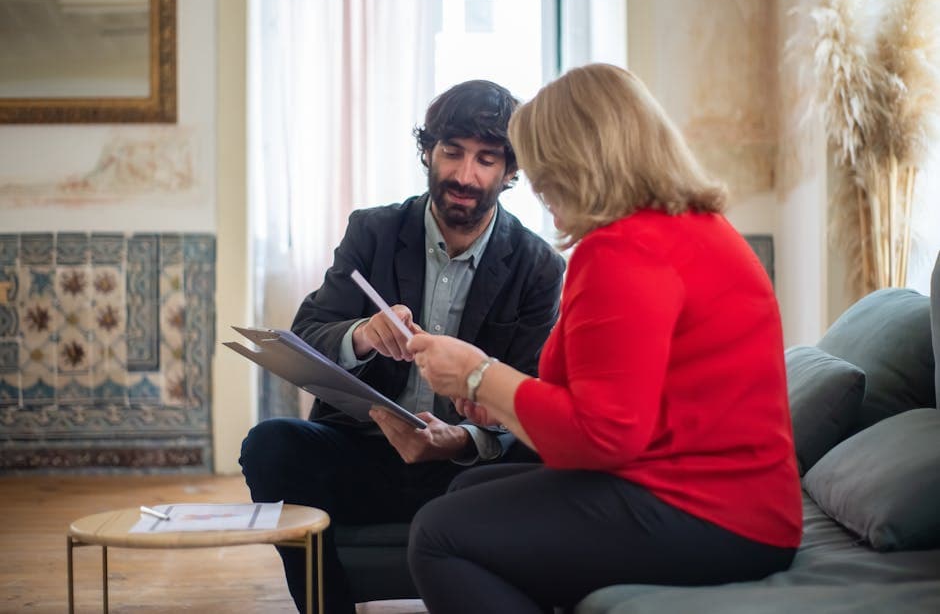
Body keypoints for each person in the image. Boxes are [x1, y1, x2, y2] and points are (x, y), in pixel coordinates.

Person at [406, 63, 803, 614]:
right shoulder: (690, 227)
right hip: (729, 500)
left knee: (438, 534)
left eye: (543, 170)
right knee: (465, 494)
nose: (538, 189)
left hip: (711, 513)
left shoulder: (623, 251)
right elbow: (616, 402)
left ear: (577, 162)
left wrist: (479, 375)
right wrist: (502, 403)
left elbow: (602, 436)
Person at [239, 79, 566, 613]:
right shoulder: (373, 231)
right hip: (362, 450)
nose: (465, 175)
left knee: (545, 461)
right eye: (452, 152)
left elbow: (529, 394)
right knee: (269, 444)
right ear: (428, 152)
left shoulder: (538, 266)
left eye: (486, 160)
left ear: (510, 172)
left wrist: (460, 440)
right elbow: (309, 332)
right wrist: (362, 334)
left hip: (465, 467)